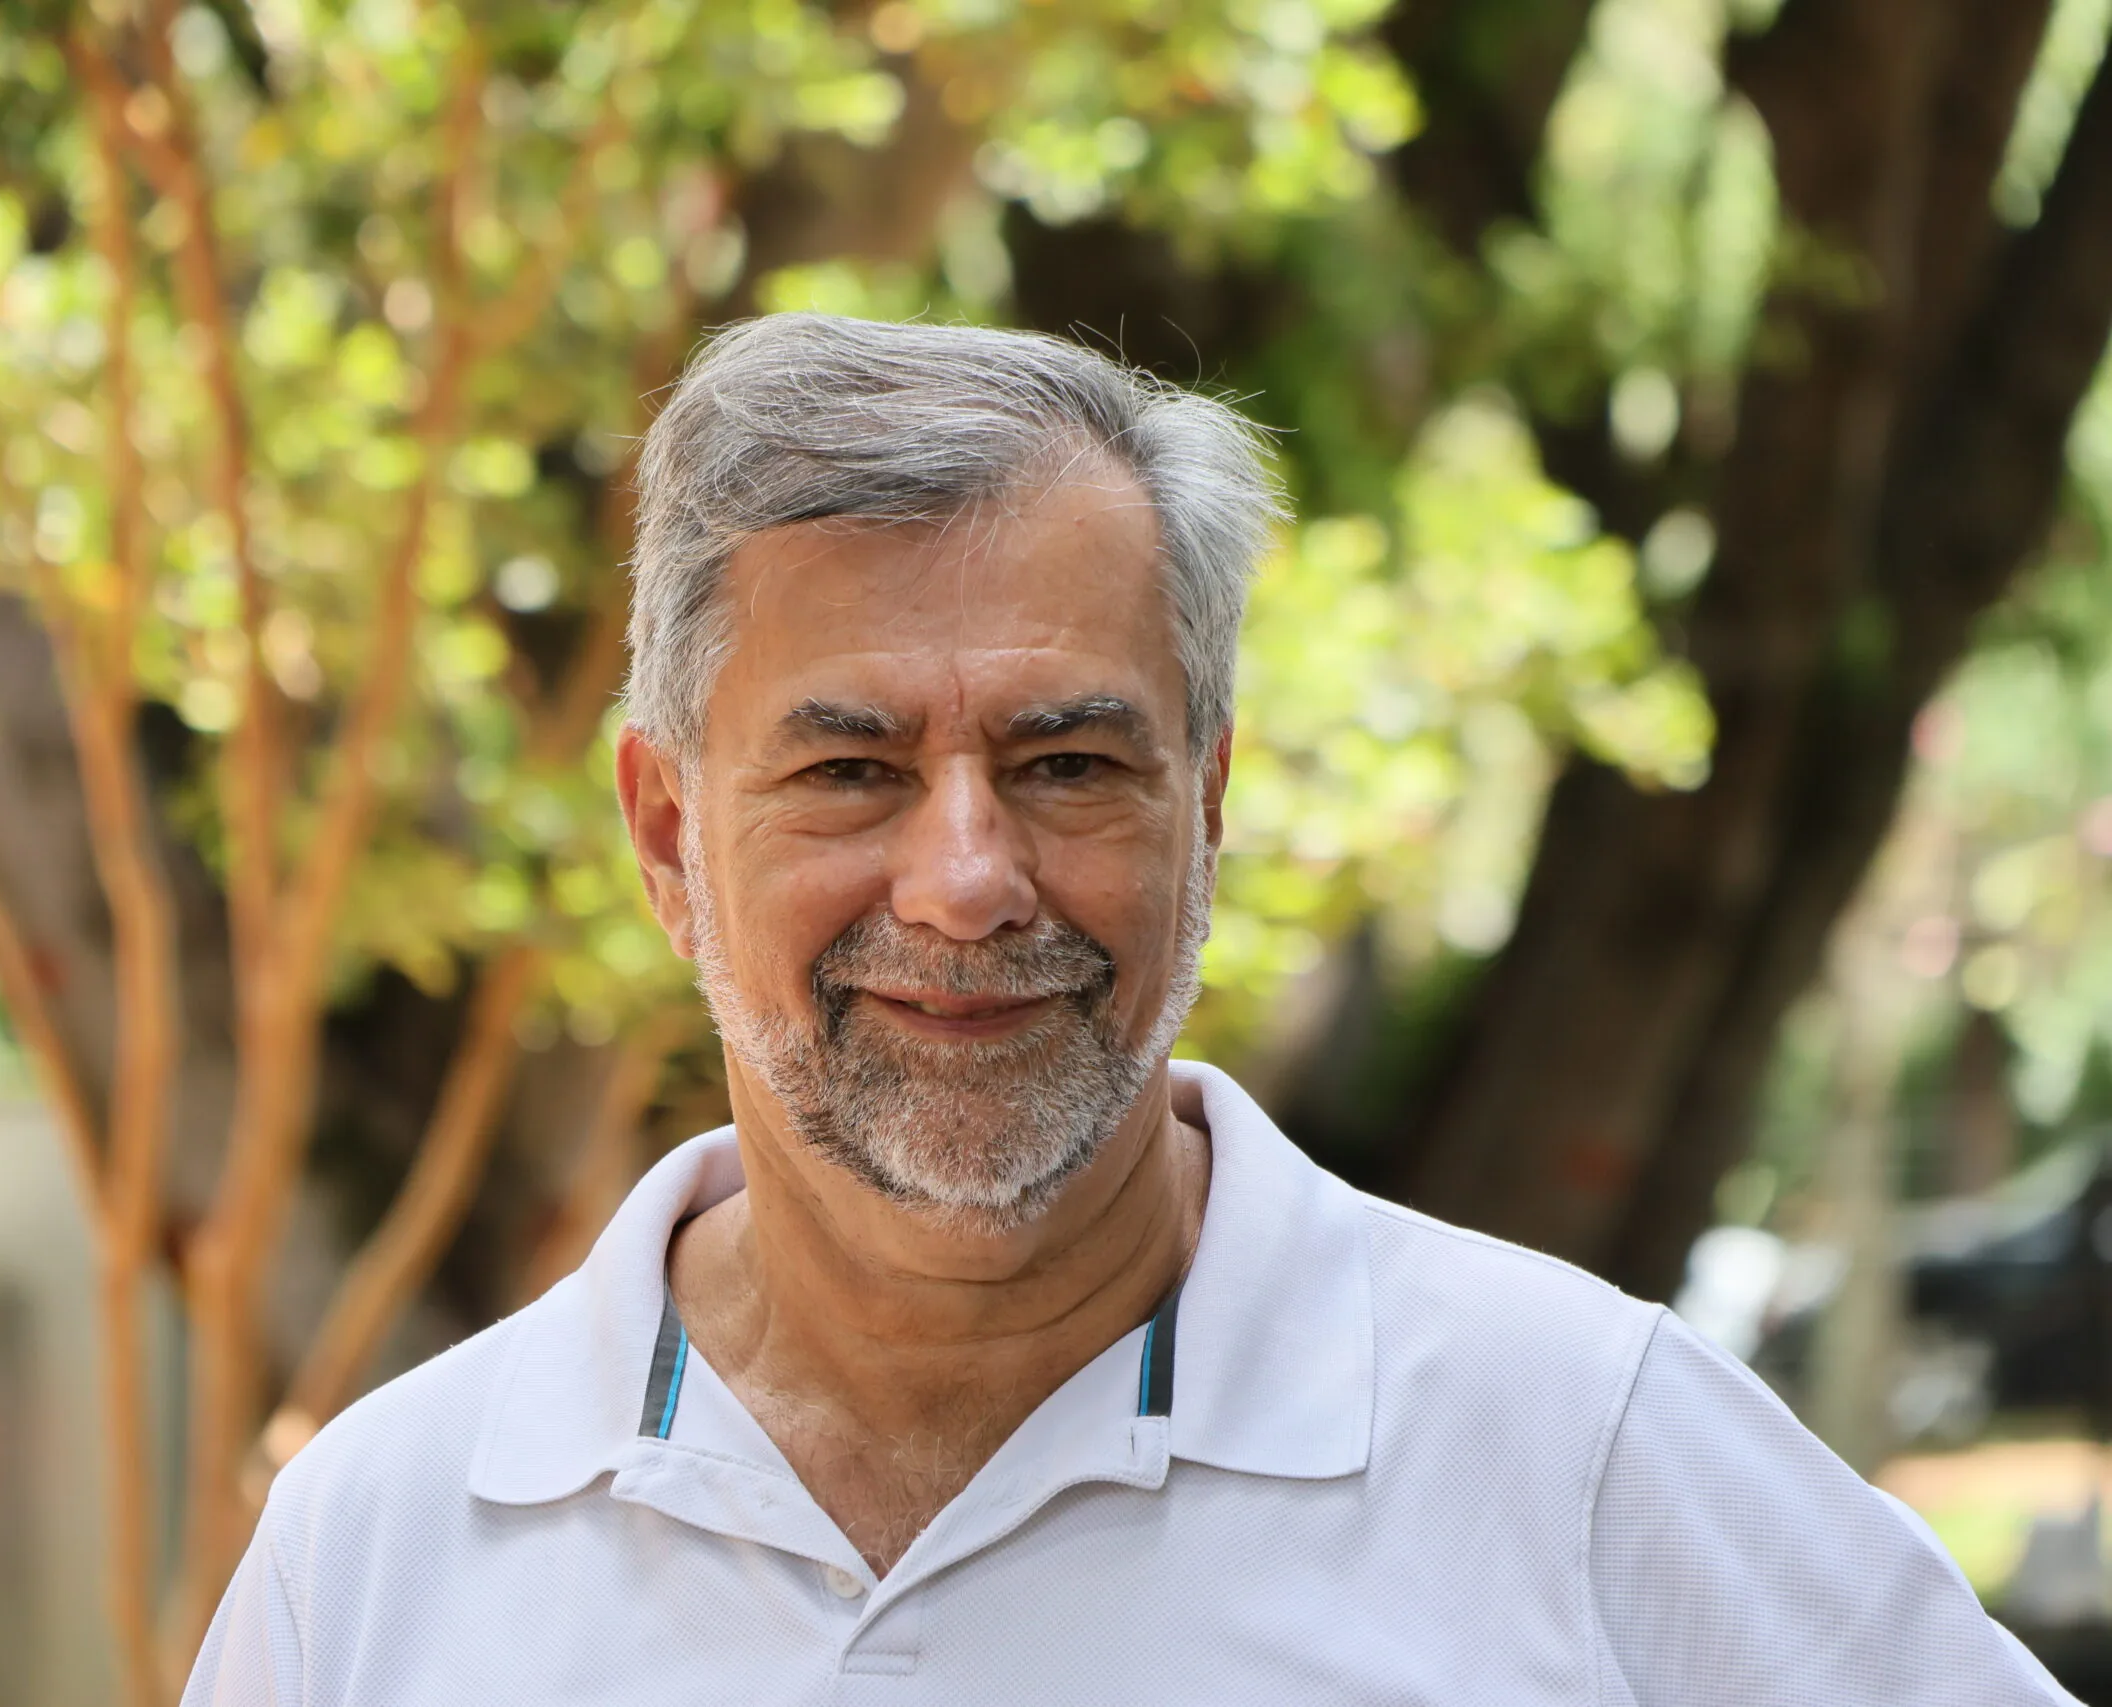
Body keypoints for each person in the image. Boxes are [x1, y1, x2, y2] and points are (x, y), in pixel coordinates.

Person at [182, 314, 2073, 1704]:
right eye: (849, 771)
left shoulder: (1576, 1447)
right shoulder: (383, 1551)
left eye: (1069, 762)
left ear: (1208, 805)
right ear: (670, 835)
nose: (967, 878)